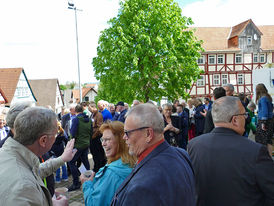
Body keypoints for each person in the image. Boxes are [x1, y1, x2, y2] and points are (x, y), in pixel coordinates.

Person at [188, 96, 274, 206]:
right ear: (235, 120)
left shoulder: (193, 145)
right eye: (244, 115)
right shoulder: (256, 151)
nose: (246, 119)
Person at [111, 103, 196, 205]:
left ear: (148, 134)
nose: (124, 137)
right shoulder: (182, 154)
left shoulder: (141, 187)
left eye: (127, 132)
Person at [0, 107, 77, 206]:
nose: (56, 137)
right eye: (55, 134)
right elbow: (26, 178)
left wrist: (62, 159)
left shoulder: (9, 154)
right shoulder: (24, 187)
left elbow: (33, 172)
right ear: (43, 140)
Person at [80, 121, 136, 206]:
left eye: (108, 139)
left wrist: (86, 184)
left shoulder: (112, 173)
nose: (103, 144)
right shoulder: (133, 162)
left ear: (121, 141)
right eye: (102, 139)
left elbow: (93, 204)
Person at [68, 104, 93, 191]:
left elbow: (73, 133)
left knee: (71, 162)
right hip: (86, 144)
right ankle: (88, 178)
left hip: (78, 145)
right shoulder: (89, 120)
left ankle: (76, 183)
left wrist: (71, 144)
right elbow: (91, 132)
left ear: (75, 111)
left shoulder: (76, 120)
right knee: (85, 160)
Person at [255, 83, 274, 157]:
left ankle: (264, 157)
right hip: (270, 120)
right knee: (268, 140)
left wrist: (263, 123)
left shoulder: (262, 99)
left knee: (261, 140)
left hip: (265, 121)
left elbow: (264, 111)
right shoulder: (268, 97)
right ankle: (270, 157)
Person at [88, 102, 106, 172]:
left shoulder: (98, 115)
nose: (88, 109)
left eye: (89, 108)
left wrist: (93, 136)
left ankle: (99, 167)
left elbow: (99, 127)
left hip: (96, 138)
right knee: (94, 154)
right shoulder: (92, 114)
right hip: (92, 137)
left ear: (93, 107)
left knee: (98, 154)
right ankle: (96, 166)